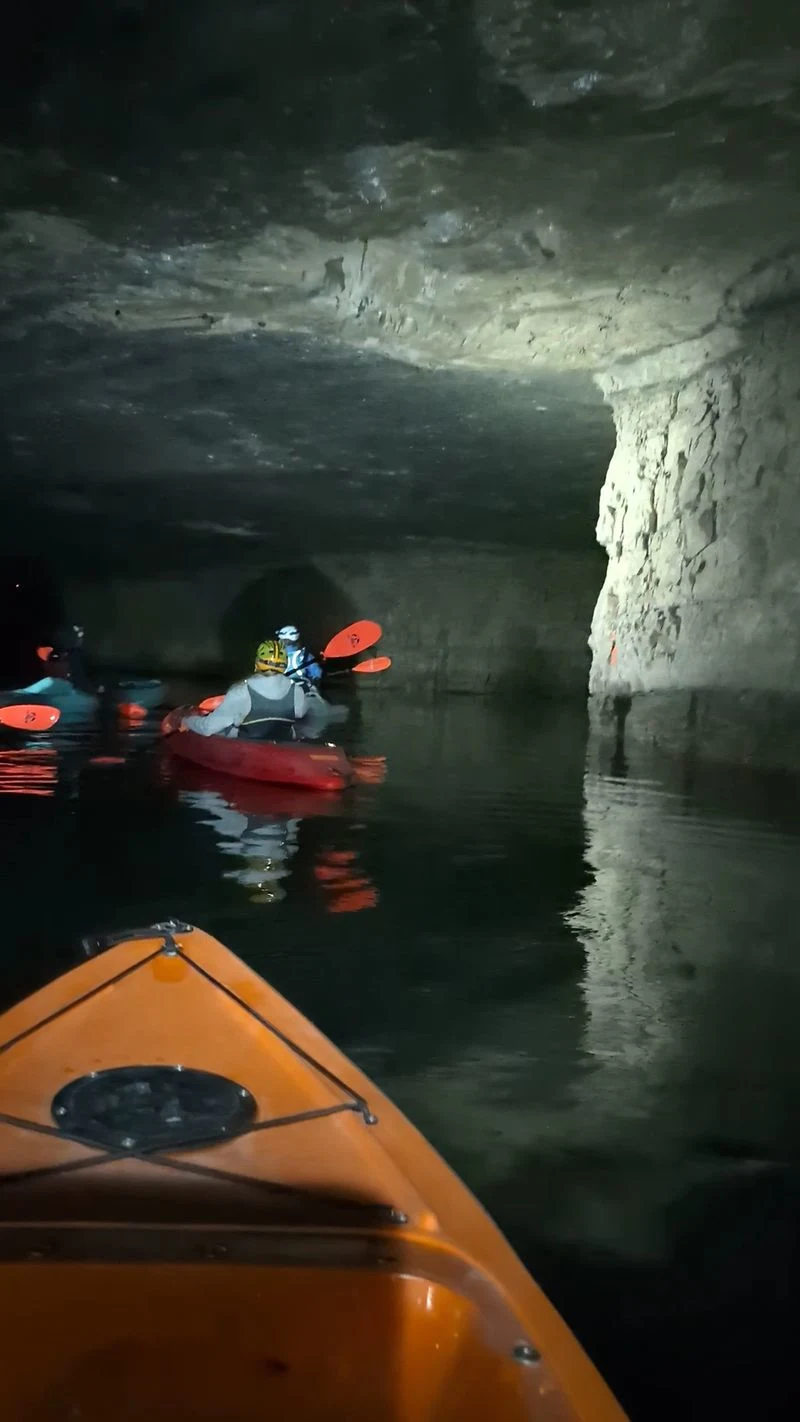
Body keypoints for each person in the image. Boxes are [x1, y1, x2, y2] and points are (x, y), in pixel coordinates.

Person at [181, 639, 310, 740]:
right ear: (284, 664)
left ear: (257, 662)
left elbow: (207, 728)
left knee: (222, 726)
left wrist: (186, 721)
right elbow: (300, 713)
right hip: (284, 745)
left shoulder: (241, 692)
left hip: (249, 748)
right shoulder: (297, 692)